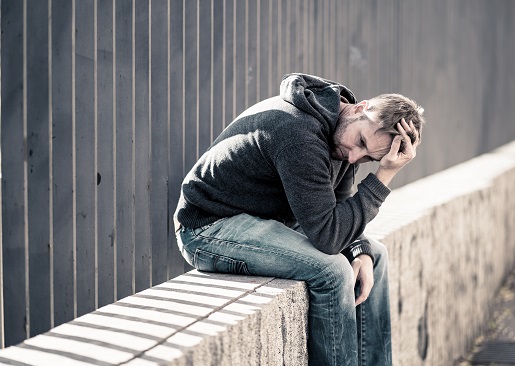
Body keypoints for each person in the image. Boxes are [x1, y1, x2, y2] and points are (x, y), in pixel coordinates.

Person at [174, 73, 425, 365]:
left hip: (262, 221)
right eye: (360, 141)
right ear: (360, 108)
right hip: (209, 227)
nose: (355, 157)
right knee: (333, 271)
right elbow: (328, 237)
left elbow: (340, 207)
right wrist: (383, 177)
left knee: (375, 254)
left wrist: (360, 251)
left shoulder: (339, 135)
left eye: (369, 158)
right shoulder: (299, 134)